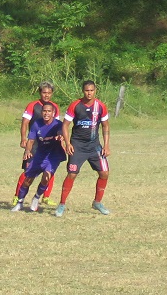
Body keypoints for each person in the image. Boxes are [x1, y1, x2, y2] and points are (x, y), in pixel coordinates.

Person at [56, 81, 111, 216]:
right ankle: (61, 204)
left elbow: (105, 126)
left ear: (95, 91)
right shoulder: (75, 105)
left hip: (94, 146)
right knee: (72, 174)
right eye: (87, 90)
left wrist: (106, 145)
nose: (89, 93)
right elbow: (65, 125)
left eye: (91, 90)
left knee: (104, 173)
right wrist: (68, 143)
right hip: (78, 146)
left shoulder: (101, 106)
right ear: (83, 91)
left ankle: (97, 202)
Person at [11, 102, 66, 212]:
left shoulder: (58, 124)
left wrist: (60, 136)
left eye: (49, 111)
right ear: (41, 112)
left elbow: (61, 131)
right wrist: (27, 150)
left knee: (46, 178)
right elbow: (31, 140)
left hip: (53, 155)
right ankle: (20, 202)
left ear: (53, 113)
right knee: (28, 180)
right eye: (44, 111)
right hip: (39, 154)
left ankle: (36, 198)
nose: (46, 113)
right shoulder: (37, 124)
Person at [16, 82, 58, 203]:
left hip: (49, 144)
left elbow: (57, 126)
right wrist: (23, 138)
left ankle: (46, 197)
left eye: (49, 93)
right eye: (44, 92)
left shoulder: (55, 107)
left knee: (50, 169)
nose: (47, 95)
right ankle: (17, 195)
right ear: (40, 93)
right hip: (34, 143)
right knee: (28, 170)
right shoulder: (33, 106)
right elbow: (24, 122)